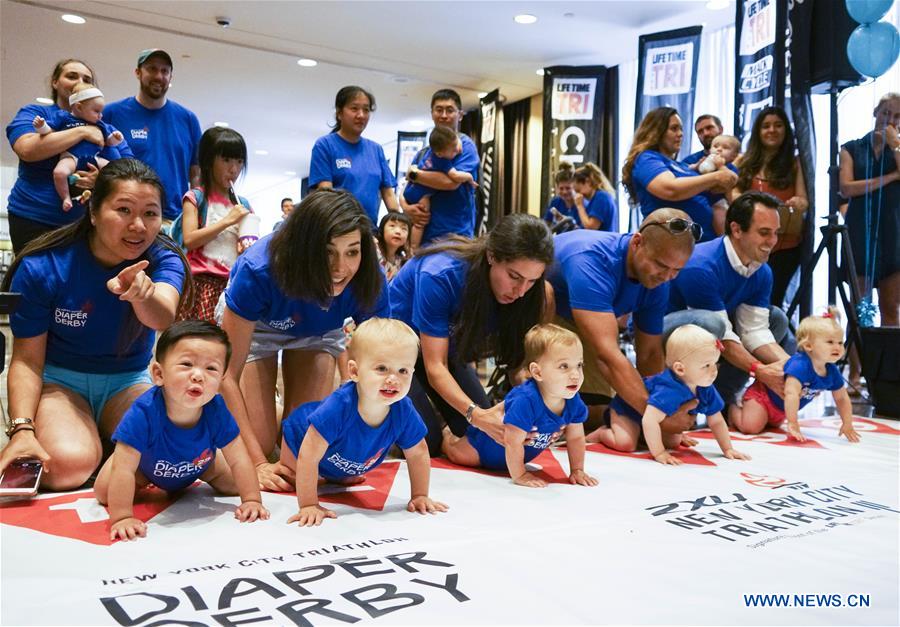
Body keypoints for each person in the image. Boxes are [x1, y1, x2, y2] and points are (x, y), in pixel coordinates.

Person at [0, 159, 191, 491]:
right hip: (61, 383)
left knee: (170, 456)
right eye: (123, 210)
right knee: (65, 467)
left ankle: (105, 441)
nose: (139, 226)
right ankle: (95, 441)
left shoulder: (164, 258)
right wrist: (23, 430)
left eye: (150, 213)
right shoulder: (44, 266)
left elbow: (161, 316)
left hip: (128, 381)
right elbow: (27, 360)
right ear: (92, 212)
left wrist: (141, 296)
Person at [217, 189, 390, 491]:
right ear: (304, 248)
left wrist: (351, 450)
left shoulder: (368, 275)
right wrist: (256, 464)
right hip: (257, 327)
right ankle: (261, 427)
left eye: (352, 251)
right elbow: (226, 374)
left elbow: (383, 366)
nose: (340, 269)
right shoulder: (258, 269)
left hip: (319, 332)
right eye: (327, 253)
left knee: (301, 445)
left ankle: (279, 421)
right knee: (255, 442)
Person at [390, 213, 554, 455]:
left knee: (482, 435)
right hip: (395, 349)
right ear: (491, 256)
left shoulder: (530, 293)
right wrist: (475, 414)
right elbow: (435, 366)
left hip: (447, 349)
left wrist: (544, 408)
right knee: (426, 441)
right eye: (514, 277)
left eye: (531, 281)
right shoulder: (440, 274)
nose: (520, 291)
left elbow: (517, 365)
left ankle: (441, 422)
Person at [93, 321, 269, 541]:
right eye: (186, 364)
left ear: (222, 379)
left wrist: (252, 499)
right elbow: (125, 468)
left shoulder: (217, 408)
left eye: (211, 368)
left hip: (201, 462)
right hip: (145, 467)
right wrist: (122, 517)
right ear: (158, 374)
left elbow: (239, 458)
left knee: (236, 483)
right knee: (104, 491)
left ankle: (204, 475)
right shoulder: (144, 411)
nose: (198, 375)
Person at [546, 209, 700, 443]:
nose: (667, 276)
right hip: (543, 313)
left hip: (584, 319)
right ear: (637, 242)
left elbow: (649, 354)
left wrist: (662, 408)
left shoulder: (660, 279)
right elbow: (607, 355)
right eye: (660, 264)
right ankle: (521, 385)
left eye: (676, 270)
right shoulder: (592, 260)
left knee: (598, 409)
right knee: (557, 410)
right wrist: (655, 417)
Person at [280, 318, 447, 526]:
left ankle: (336, 475)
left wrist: (420, 494)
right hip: (299, 440)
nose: (393, 379)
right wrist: (308, 505)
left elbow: (419, 453)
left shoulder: (403, 409)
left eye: (403, 371)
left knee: (335, 477)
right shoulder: (340, 405)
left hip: (338, 458)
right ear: (354, 372)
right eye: (382, 368)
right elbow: (308, 454)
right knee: (295, 478)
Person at [666, 191, 791, 410]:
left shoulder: (762, 271)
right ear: (736, 229)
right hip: (661, 332)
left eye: (775, 233)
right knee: (711, 324)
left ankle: (724, 396)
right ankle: (684, 397)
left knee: (776, 319)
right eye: (764, 233)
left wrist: (791, 368)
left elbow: (754, 330)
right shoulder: (702, 265)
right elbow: (721, 334)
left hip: (712, 325)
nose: (772, 241)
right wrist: (760, 370)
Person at [442, 324, 597, 488]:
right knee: (456, 454)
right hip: (482, 449)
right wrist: (520, 475)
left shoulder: (572, 399)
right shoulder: (526, 399)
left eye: (579, 365)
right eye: (563, 366)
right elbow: (512, 443)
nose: (575, 375)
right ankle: (447, 437)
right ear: (537, 372)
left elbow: (576, 437)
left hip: (519, 457)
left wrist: (577, 469)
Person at [5, 59, 130, 253]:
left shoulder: (105, 126)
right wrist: (83, 132)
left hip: (87, 225)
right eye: (71, 76)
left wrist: (104, 180)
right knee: (32, 279)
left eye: (86, 79)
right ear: (55, 82)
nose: (78, 81)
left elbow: (131, 172)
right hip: (34, 218)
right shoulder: (37, 113)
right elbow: (28, 149)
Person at [599, 324, 750, 466]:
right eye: (706, 366)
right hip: (627, 410)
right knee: (625, 443)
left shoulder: (704, 385)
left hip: (656, 419)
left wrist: (727, 449)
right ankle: (601, 434)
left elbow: (716, 421)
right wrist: (659, 453)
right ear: (680, 369)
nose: (714, 371)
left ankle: (643, 437)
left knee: (673, 442)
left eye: (715, 363)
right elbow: (649, 421)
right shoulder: (668, 389)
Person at [104, 49, 202, 229]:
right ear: (138, 72)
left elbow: (196, 174)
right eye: (152, 69)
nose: (159, 76)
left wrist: (196, 216)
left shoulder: (188, 119)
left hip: (174, 220)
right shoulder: (111, 113)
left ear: (171, 77)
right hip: (126, 217)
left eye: (165, 71)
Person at [730, 310, 861, 443]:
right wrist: (793, 423)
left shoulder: (831, 371)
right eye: (830, 342)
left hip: (782, 409)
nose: (837, 347)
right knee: (751, 427)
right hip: (763, 398)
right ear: (809, 346)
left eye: (840, 342)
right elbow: (790, 394)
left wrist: (847, 423)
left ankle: (767, 417)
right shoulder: (800, 365)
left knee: (770, 426)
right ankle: (732, 408)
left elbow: (842, 398)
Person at [732, 106, 809, 309]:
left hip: (784, 246)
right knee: (742, 303)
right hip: (748, 246)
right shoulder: (743, 161)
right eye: (766, 126)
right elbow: (732, 193)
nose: (772, 130)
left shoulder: (795, 163)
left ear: (786, 130)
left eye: (778, 125)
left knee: (770, 303)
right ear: (758, 131)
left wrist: (798, 204)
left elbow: (803, 200)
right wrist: (746, 205)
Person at [840, 93, 900, 349]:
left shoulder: (897, 147)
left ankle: (890, 376)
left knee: (890, 305)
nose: (890, 119)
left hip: (893, 230)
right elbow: (846, 188)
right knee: (859, 306)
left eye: (897, 116)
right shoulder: (852, 147)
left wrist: (895, 145)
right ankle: (855, 371)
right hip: (859, 228)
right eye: (886, 112)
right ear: (875, 112)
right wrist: (890, 177)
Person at [622, 107, 736, 242]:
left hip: (704, 244)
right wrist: (716, 177)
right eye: (674, 128)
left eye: (681, 129)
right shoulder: (647, 158)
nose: (681, 133)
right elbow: (670, 189)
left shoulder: (681, 166)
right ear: (657, 131)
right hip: (674, 246)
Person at [177, 126, 253, 323]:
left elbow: (248, 249)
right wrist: (228, 221)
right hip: (200, 284)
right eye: (226, 160)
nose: (234, 169)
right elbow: (190, 239)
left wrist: (247, 245)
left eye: (239, 161)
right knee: (195, 343)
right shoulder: (196, 197)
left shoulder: (242, 204)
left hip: (231, 286)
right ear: (209, 160)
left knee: (224, 347)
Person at [309, 85, 398, 226]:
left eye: (366, 110)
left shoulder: (376, 149)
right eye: (354, 109)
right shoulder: (325, 145)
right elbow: (326, 195)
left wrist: (398, 223)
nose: (361, 115)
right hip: (339, 229)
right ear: (339, 113)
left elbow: (388, 193)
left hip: (370, 231)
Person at [401, 89, 480, 245]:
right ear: (432, 114)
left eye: (450, 110)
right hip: (425, 236)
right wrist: (405, 208)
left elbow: (450, 182)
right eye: (439, 110)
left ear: (460, 115)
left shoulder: (465, 147)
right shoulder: (424, 152)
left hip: (455, 237)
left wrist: (414, 174)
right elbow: (406, 188)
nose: (444, 115)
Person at [33, 83, 125, 212]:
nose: (100, 116)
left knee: (114, 172)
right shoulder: (64, 118)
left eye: (101, 112)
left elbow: (108, 142)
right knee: (59, 173)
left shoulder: (100, 124)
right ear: (79, 107)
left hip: (95, 158)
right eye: (96, 111)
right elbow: (49, 132)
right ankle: (65, 197)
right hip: (71, 156)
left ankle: (110, 199)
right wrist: (41, 126)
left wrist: (116, 138)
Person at [404, 125, 477, 249]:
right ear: (440, 153)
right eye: (454, 150)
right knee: (421, 221)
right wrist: (469, 178)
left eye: (457, 145)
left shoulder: (436, 151)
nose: (458, 150)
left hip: (415, 190)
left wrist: (414, 174)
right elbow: (453, 180)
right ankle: (413, 248)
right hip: (420, 194)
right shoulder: (440, 159)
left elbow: (410, 175)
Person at [698, 134, 741, 236]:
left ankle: (723, 238)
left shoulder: (730, 168)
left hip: (718, 201)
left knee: (719, 215)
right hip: (703, 198)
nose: (719, 149)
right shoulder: (706, 161)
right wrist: (695, 166)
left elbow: (729, 178)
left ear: (734, 156)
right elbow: (697, 169)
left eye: (725, 148)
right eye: (715, 146)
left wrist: (720, 166)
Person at [572, 162, 618, 232]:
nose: (578, 195)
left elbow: (591, 227)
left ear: (588, 182)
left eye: (578, 190)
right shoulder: (592, 201)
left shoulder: (601, 197)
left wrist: (580, 206)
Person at [375, 211, 412, 281]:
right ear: (382, 230)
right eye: (392, 226)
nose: (398, 231)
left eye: (404, 229)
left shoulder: (402, 261)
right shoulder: (374, 251)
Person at [543, 162, 580, 229]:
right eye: (561, 188)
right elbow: (546, 223)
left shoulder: (582, 204)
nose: (564, 192)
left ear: (575, 187)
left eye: (568, 188)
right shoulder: (556, 202)